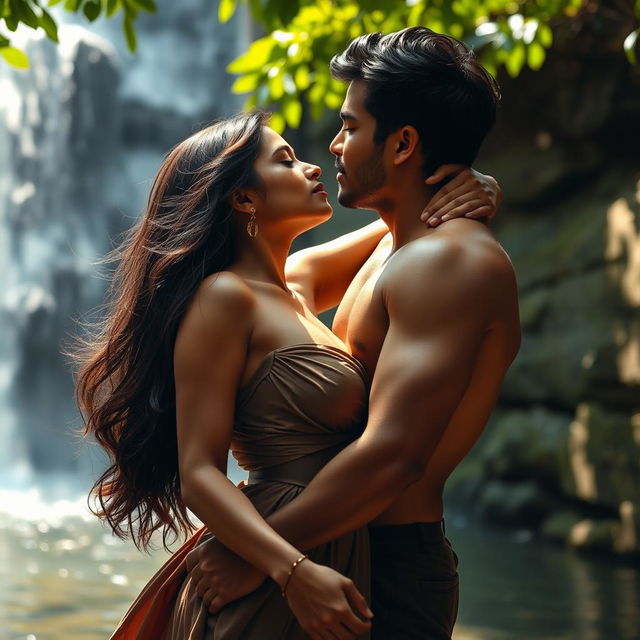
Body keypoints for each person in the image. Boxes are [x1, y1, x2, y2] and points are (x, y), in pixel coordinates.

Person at [75, 108, 501, 639]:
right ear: (245, 198)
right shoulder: (225, 298)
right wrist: (289, 570)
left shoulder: (294, 287)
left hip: (335, 546)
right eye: (287, 162)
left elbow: (400, 225)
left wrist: (472, 189)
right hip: (276, 562)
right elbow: (200, 474)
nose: (314, 167)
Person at [187, 27, 521, 640]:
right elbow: (278, 279)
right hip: (318, 545)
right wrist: (468, 187)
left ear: (403, 144)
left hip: (387, 567)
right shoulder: (396, 247)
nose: (334, 145)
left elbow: (395, 456)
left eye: (349, 126)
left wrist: (260, 557)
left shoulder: (448, 264)